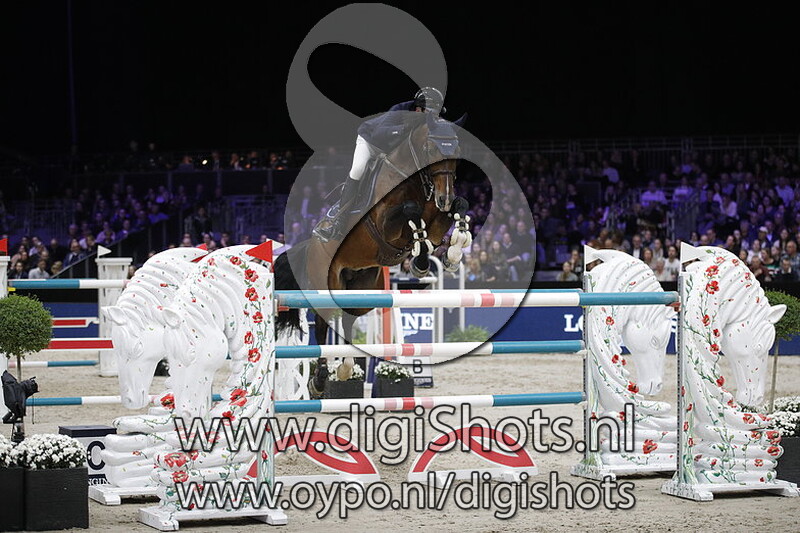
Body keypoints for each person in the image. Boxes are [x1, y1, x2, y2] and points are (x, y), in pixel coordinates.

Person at [313, 87, 446, 242]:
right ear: (419, 109)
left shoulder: (428, 124)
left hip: (391, 151)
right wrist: (404, 129)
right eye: (432, 113)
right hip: (371, 142)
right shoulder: (399, 111)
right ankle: (338, 222)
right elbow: (379, 133)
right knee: (358, 170)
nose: (434, 118)